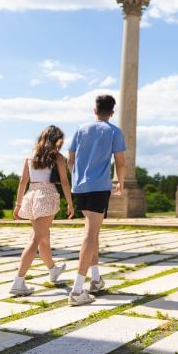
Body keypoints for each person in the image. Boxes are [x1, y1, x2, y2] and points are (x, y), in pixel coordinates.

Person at [67, 94, 126, 305]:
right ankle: (76, 290)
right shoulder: (114, 132)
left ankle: (96, 279)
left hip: (80, 187)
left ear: (95, 110)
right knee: (90, 235)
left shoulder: (81, 129)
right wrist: (120, 182)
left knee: (94, 232)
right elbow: (120, 162)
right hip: (99, 187)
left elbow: (70, 159)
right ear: (112, 112)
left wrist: (77, 177)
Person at [10, 124, 74, 296]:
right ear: (57, 140)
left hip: (31, 195)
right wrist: (70, 203)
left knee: (44, 237)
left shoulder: (30, 156)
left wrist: (18, 204)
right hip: (47, 194)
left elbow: (23, 182)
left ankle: (53, 269)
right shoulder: (58, 157)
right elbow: (64, 182)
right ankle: (18, 281)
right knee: (36, 238)